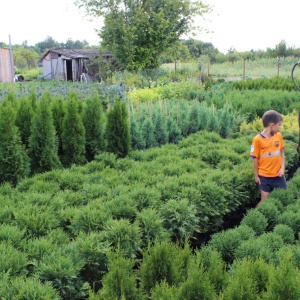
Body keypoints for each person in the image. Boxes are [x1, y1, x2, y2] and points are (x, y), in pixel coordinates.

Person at [250, 110, 287, 207]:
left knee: (283, 197)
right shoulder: (257, 140)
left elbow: (282, 153)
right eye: (279, 125)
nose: (280, 127)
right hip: (264, 176)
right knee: (264, 200)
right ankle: (254, 217)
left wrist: (282, 168)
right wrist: (256, 176)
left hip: (278, 176)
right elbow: (255, 159)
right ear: (272, 124)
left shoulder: (278, 136)